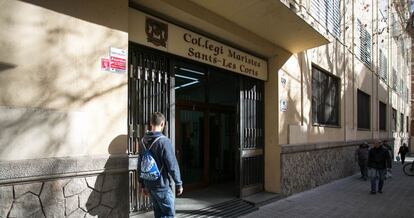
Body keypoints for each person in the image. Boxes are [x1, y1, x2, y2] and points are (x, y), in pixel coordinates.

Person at [138, 112, 183, 218]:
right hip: (162, 185)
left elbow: (140, 164)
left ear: (150, 123)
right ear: (162, 124)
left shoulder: (143, 141)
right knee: (168, 214)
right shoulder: (164, 141)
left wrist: (143, 184)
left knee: (158, 214)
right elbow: (172, 165)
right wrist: (178, 183)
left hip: (149, 184)